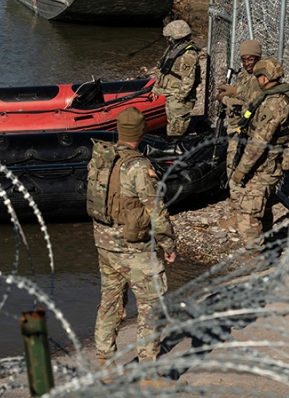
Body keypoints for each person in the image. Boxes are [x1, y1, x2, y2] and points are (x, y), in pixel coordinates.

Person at [89, 107, 177, 379]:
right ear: (142, 132)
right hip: (134, 249)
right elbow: (156, 211)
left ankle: (105, 364)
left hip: (105, 245)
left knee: (110, 303)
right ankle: (149, 375)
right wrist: (168, 244)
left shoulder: (101, 158)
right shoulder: (139, 167)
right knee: (151, 305)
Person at [229, 58, 289, 246]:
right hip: (273, 161)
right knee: (265, 205)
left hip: (265, 164)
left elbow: (258, 144)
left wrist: (240, 171)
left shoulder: (273, 104)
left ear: (263, 78)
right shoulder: (283, 97)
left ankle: (255, 257)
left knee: (247, 211)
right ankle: (268, 242)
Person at [215, 40, 264, 179]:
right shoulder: (244, 74)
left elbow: (251, 103)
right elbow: (238, 93)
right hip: (236, 123)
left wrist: (225, 99)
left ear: (258, 58)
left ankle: (234, 188)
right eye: (244, 60)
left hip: (247, 126)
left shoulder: (259, 78)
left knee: (234, 160)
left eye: (250, 59)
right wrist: (227, 90)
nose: (247, 63)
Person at [151, 20, 201, 137]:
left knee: (177, 128)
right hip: (171, 94)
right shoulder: (173, 50)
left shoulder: (188, 54)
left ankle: (177, 148)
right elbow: (163, 71)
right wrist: (156, 87)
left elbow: (188, 79)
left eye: (170, 37)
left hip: (178, 97)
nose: (168, 40)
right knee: (172, 122)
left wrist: (181, 97)